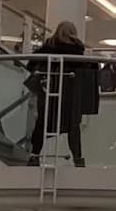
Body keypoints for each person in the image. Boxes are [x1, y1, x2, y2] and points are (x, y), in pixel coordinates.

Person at [28, 21, 99, 167]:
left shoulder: (48, 48)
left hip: (49, 92)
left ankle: (34, 156)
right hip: (71, 95)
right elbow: (87, 70)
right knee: (73, 127)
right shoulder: (78, 51)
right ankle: (78, 159)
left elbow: (31, 65)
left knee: (42, 123)